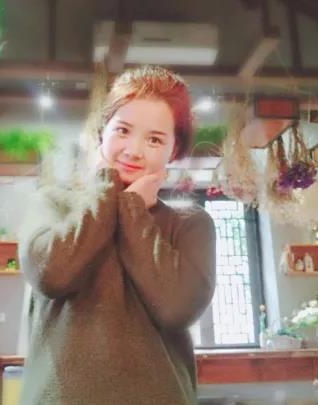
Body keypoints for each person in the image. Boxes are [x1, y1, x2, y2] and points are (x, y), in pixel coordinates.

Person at [19, 65, 216, 405]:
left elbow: (176, 309)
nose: (134, 150)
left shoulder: (190, 224)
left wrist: (132, 209)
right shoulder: (52, 204)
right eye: (123, 130)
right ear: (102, 133)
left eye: (154, 139)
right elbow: (53, 274)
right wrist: (108, 190)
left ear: (173, 150)